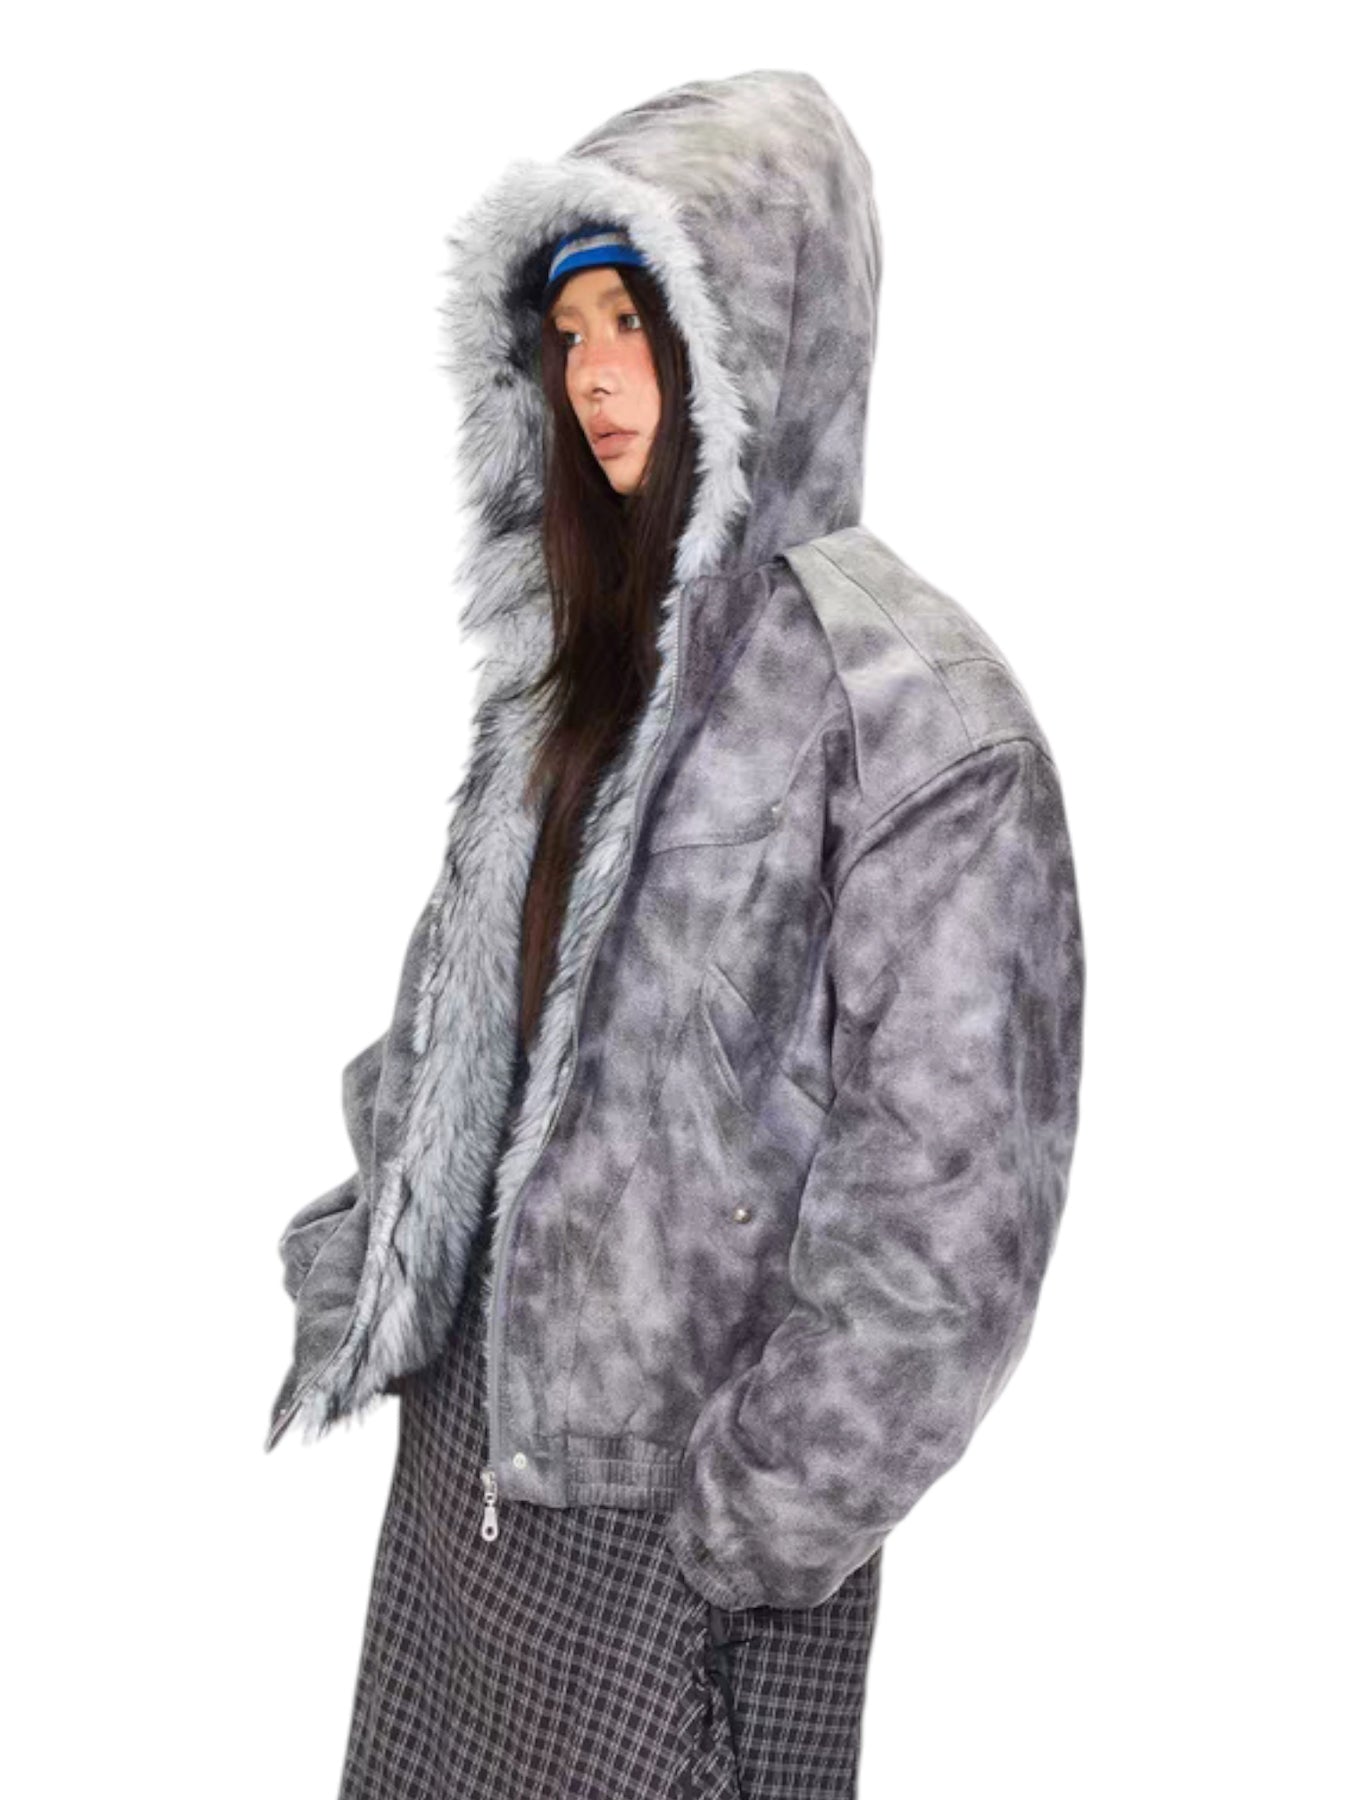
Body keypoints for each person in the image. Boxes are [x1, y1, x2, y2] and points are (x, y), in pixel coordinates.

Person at [266, 69, 1086, 1800]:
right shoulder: (579, 670)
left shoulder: (913, 714)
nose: (593, 376)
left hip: (682, 1536)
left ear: (761, 330)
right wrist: (379, 1241)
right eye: (567, 332)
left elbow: (953, 1208)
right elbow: (457, 1015)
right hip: (469, 1472)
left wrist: (757, 1518)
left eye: (635, 321)